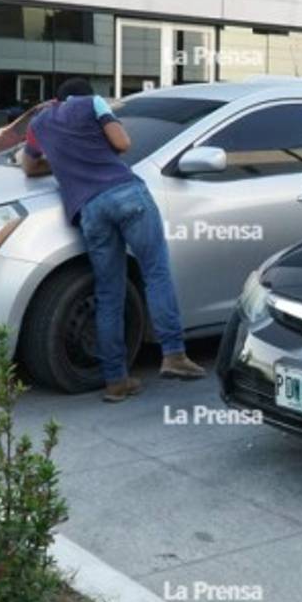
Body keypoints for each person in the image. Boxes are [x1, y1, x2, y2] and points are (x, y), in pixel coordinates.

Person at [22, 77, 204, 403]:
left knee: (108, 292)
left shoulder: (40, 122)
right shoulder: (92, 103)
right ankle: (174, 355)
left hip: (88, 210)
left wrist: (66, 161)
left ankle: (116, 380)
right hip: (125, 194)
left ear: (56, 99)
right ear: (84, 95)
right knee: (155, 273)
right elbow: (122, 143)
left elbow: (29, 165)